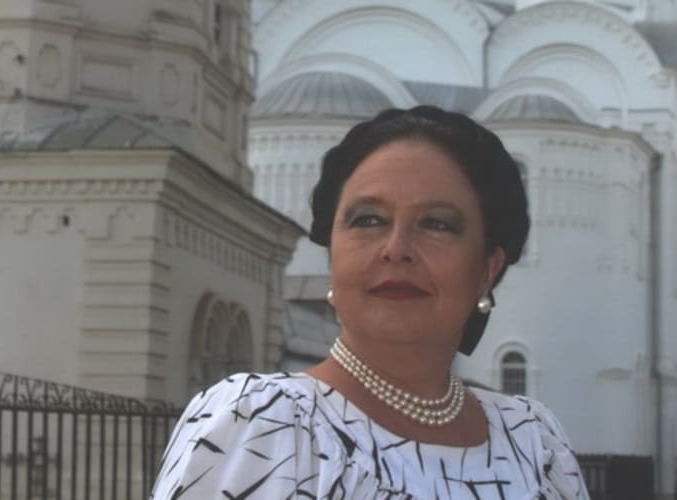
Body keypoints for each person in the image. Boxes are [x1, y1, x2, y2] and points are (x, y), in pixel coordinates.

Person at [151, 106, 589, 499]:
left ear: (487, 270)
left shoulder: (534, 441)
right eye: (368, 220)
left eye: (436, 224)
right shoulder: (262, 424)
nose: (396, 249)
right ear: (333, 253)